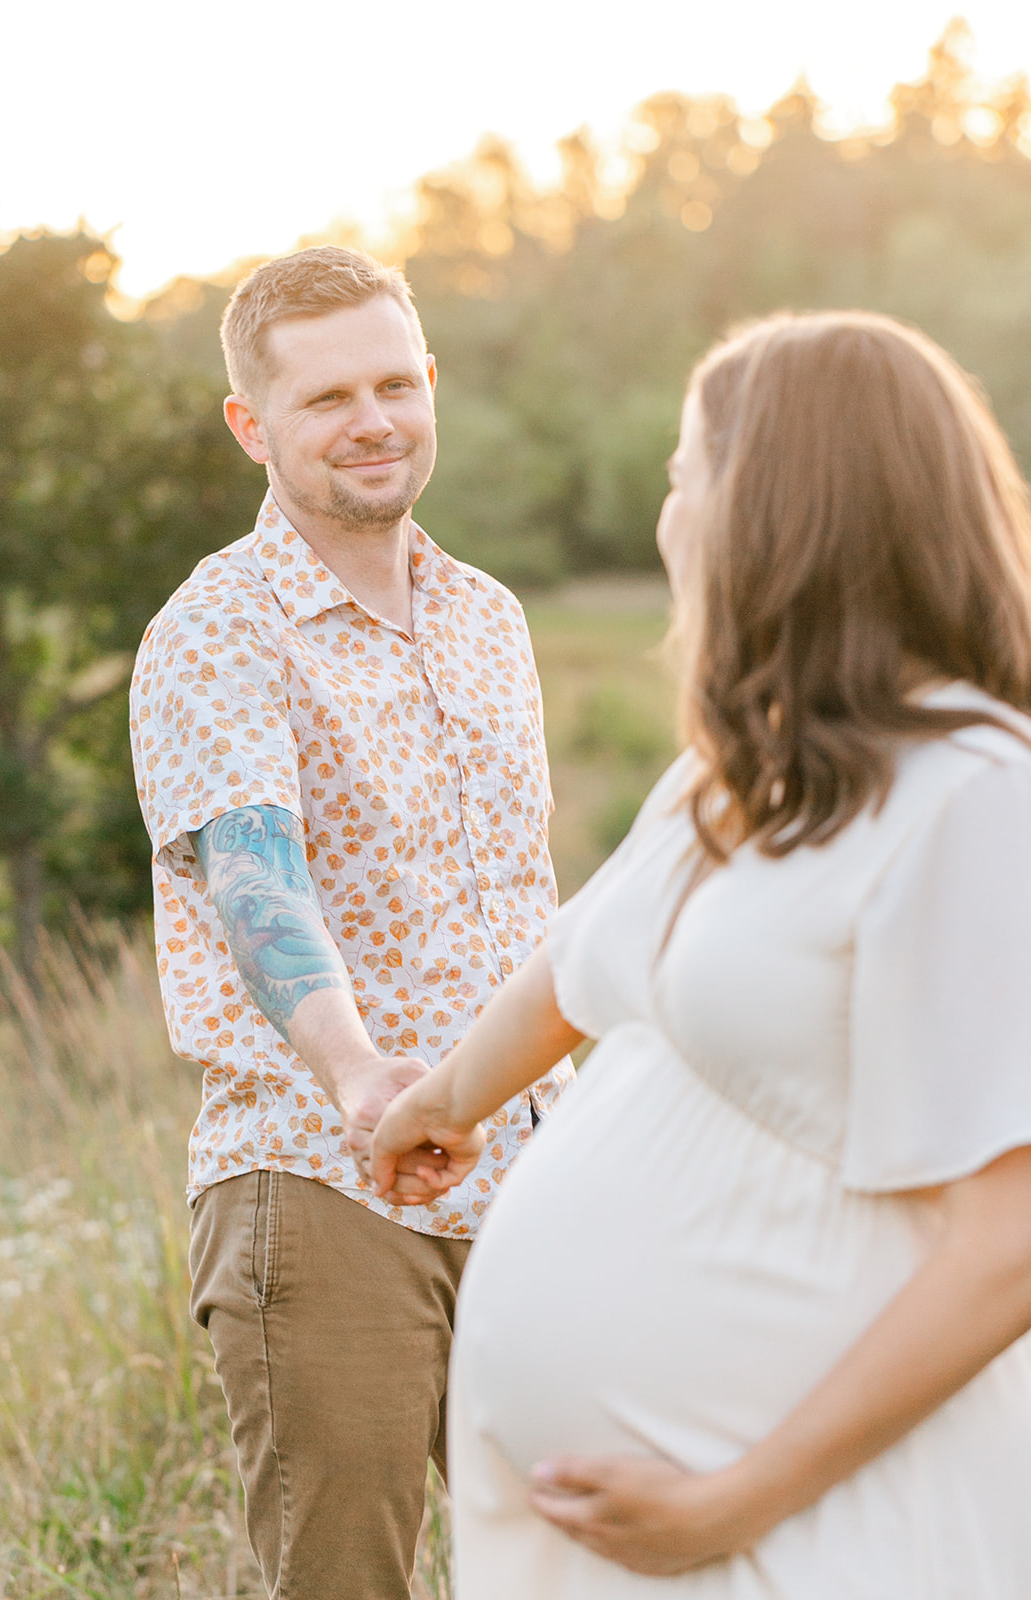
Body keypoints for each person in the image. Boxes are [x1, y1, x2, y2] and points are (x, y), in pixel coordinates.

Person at [366, 310, 1031, 1597]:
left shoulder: (972, 797)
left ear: (777, 513)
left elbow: (1008, 1236)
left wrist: (729, 1500)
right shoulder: (742, 767)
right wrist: (444, 1098)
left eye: (684, 476)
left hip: (809, 1523)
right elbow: (581, 958)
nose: (668, 517)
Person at [128, 245, 571, 1600]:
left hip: (530, 1192)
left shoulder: (487, 620)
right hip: (325, 1183)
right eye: (325, 398)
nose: (370, 418)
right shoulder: (219, 627)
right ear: (250, 426)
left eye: (393, 382)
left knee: (584, 1563)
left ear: (430, 384)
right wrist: (359, 1070)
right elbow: (252, 876)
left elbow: (522, 897)